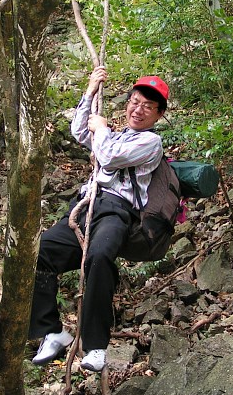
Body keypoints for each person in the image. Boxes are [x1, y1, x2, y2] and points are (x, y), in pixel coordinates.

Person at [29, 66, 169, 372]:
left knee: (100, 256)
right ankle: (52, 330)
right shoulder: (115, 136)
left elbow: (110, 157)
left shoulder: (149, 144)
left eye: (148, 106)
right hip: (85, 206)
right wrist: (91, 91)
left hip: (117, 211)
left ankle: (95, 346)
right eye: (135, 101)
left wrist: (102, 128)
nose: (138, 109)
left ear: (158, 115)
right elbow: (80, 132)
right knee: (39, 253)